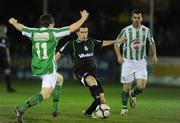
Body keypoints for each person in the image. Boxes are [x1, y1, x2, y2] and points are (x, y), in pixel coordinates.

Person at [9, 10, 89, 122]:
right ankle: (20, 109)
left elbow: (21, 27)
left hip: (36, 67)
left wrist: (13, 23)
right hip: (48, 68)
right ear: (51, 25)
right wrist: (83, 18)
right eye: (53, 25)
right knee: (45, 94)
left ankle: (55, 109)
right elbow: (72, 28)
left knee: (59, 79)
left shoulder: (33, 32)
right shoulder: (53, 33)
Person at [55, 24, 127, 118]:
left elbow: (103, 43)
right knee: (93, 85)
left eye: (86, 32)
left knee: (102, 101)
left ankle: (88, 112)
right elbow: (59, 53)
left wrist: (117, 40)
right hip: (81, 73)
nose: (84, 34)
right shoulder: (71, 44)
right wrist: (50, 64)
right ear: (77, 33)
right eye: (82, 32)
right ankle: (95, 104)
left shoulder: (91, 42)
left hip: (93, 74)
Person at [114, 9, 157, 115]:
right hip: (127, 62)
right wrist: (119, 56)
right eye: (135, 17)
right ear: (131, 18)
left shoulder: (146, 30)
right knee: (126, 86)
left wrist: (154, 55)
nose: (137, 19)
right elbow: (116, 44)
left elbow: (151, 42)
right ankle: (124, 108)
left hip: (141, 62)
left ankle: (133, 94)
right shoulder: (126, 30)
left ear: (141, 18)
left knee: (141, 87)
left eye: (139, 17)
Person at [0, 24, 16, 92]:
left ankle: (8, 88)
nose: (4, 30)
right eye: (2, 29)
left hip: (4, 58)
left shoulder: (7, 39)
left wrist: (8, 57)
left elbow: (7, 49)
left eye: (5, 29)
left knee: (7, 72)